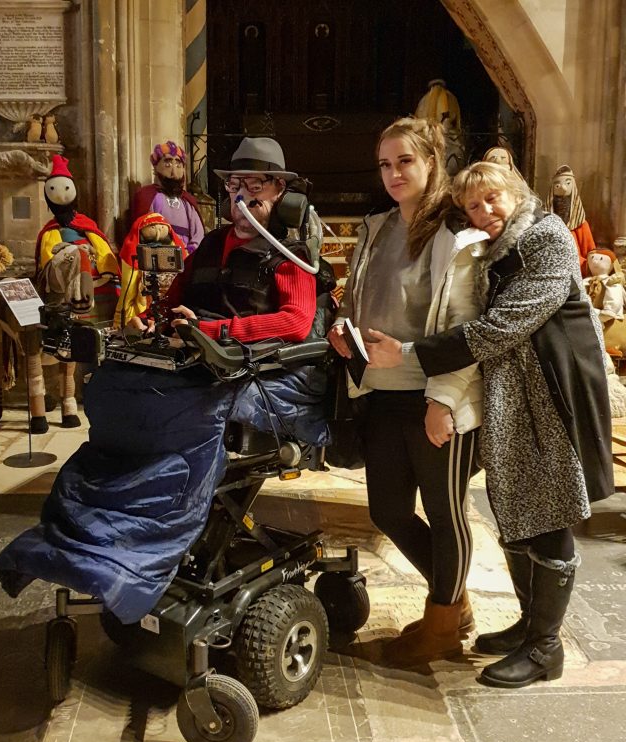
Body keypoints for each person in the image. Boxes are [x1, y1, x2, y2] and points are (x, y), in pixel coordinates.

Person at [365, 161, 613, 687]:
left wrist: (408, 352)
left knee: (550, 513)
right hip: (515, 397)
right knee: (519, 510)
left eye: (493, 199)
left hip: (553, 394)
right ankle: (528, 625)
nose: (486, 212)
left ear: (517, 192)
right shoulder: (494, 251)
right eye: (474, 206)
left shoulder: (547, 239)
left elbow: (501, 326)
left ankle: (546, 648)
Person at [328, 117, 487, 668]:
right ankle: (454, 603)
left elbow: (466, 327)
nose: (393, 173)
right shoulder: (375, 228)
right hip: (380, 392)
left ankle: (442, 625)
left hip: (433, 396)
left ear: (430, 163)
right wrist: (343, 329)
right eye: (385, 164)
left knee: (446, 513)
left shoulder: (458, 237)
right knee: (389, 511)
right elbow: (359, 300)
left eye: (405, 162)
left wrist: (442, 398)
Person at [159, 136, 324, 343]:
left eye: (255, 186)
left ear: (280, 189)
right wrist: (153, 320)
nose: (242, 197)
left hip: (245, 367)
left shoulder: (290, 256)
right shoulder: (211, 243)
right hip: (190, 354)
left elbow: (296, 322)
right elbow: (173, 298)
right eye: (234, 185)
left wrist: (211, 331)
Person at [131, 140, 205, 254]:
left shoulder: (187, 201)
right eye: (167, 163)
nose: (173, 170)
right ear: (156, 167)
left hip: (187, 256)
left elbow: (198, 233)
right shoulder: (148, 196)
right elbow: (144, 230)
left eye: (178, 164)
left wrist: (190, 251)